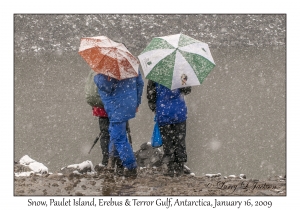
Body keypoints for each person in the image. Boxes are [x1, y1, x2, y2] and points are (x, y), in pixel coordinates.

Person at [94, 70, 144, 178]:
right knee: (114, 133)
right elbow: (140, 83)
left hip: (116, 106)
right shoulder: (131, 66)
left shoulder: (108, 68)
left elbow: (106, 87)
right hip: (128, 105)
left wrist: (97, 77)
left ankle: (131, 167)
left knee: (118, 137)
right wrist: (136, 102)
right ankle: (113, 162)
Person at [147, 80, 191, 177]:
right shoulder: (180, 73)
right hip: (179, 113)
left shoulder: (156, 75)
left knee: (167, 141)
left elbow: (150, 95)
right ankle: (179, 167)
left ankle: (170, 166)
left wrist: (155, 108)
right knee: (180, 141)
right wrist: (183, 81)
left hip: (163, 113)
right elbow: (187, 90)